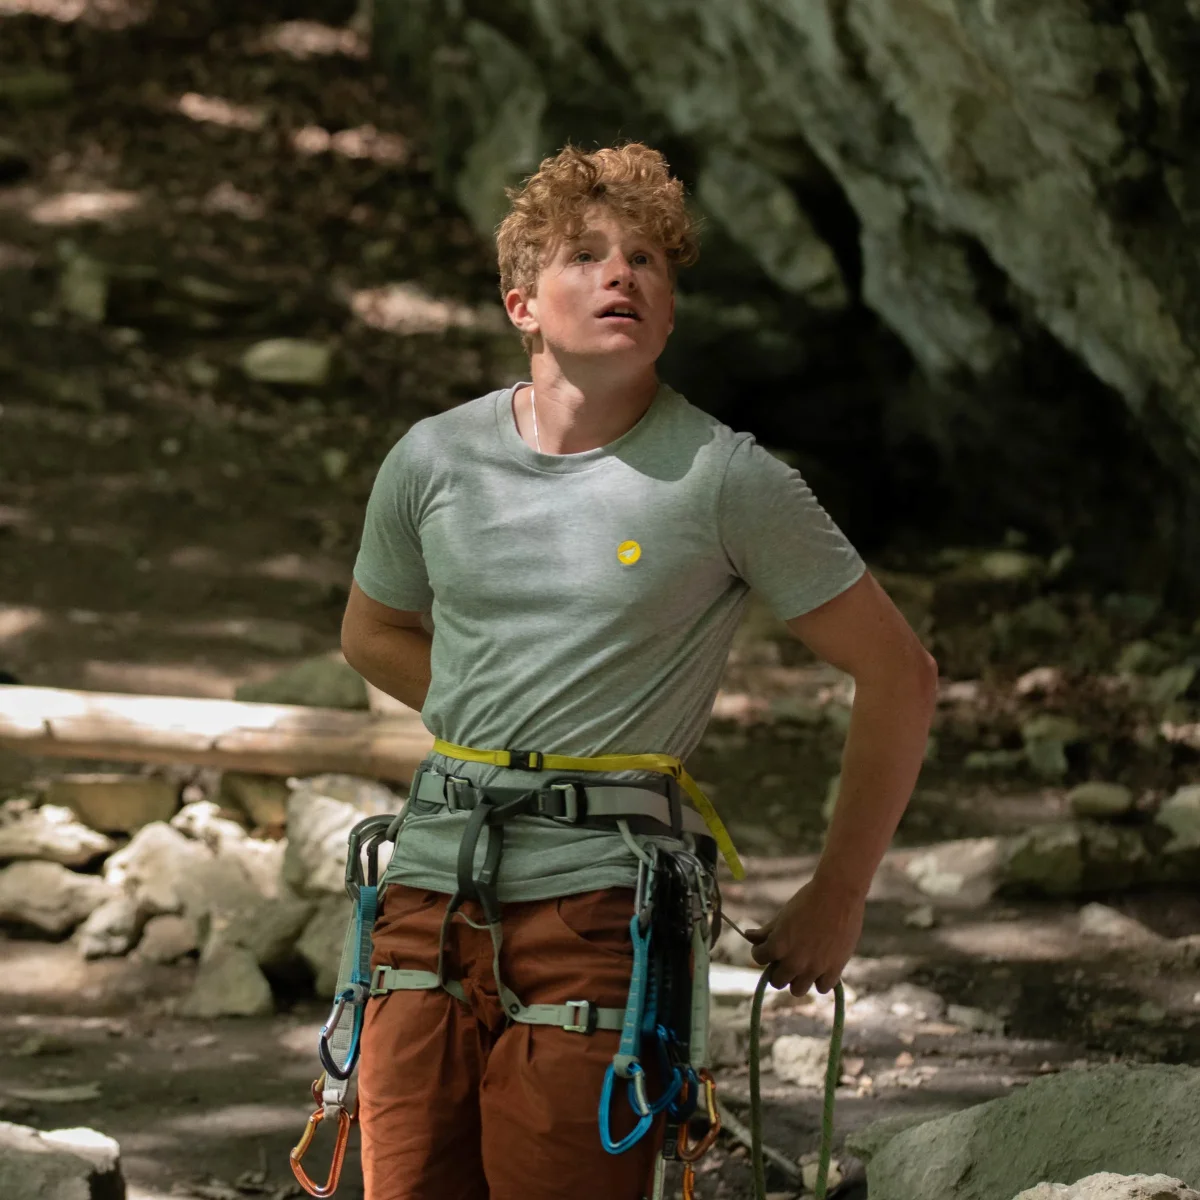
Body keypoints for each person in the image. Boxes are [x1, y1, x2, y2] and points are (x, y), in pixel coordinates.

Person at [340, 141, 938, 1200]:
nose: (623, 273)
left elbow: (900, 673)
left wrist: (839, 895)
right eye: (586, 254)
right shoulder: (434, 458)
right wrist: (508, 724)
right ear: (522, 305)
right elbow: (371, 631)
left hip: (602, 907)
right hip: (429, 889)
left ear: (668, 314)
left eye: (648, 260)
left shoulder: (725, 479)